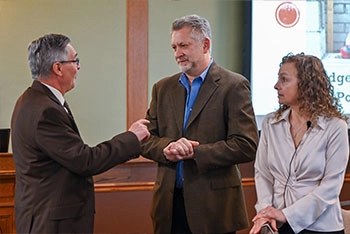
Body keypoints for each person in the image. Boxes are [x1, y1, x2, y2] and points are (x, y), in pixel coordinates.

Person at [11, 33, 150, 233]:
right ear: (58, 68)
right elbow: (85, 160)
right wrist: (131, 137)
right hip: (52, 223)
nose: (78, 66)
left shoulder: (32, 100)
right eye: (75, 60)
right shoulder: (45, 110)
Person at [141, 14, 259, 234]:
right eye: (174, 47)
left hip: (214, 210)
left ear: (206, 44)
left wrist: (194, 152)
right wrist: (168, 148)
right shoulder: (162, 88)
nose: (177, 54)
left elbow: (246, 145)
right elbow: (146, 140)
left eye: (184, 45)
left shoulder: (234, 85)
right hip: (168, 208)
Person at [249, 53, 349, 234]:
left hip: (321, 227)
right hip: (276, 225)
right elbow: (262, 173)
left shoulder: (335, 127)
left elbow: (330, 188)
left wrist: (286, 214)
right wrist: (266, 212)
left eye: (284, 80)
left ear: (306, 85)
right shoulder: (271, 123)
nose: (276, 86)